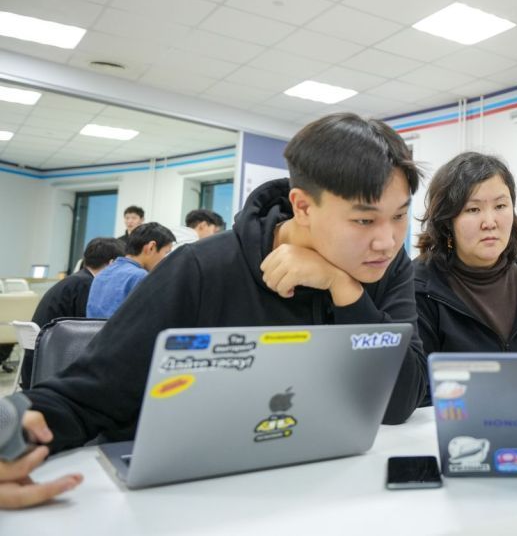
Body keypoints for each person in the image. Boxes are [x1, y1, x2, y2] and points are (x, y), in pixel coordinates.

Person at [1, 113, 428, 508]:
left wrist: (343, 288)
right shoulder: (203, 268)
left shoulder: (383, 268)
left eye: (400, 216)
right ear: (302, 206)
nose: (387, 241)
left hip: (326, 495)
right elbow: (86, 397)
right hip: (193, 502)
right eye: (364, 221)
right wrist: (13, 437)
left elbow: (400, 401)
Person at [414, 152, 517, 381]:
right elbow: (417, 390)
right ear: (447, 221)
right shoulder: (421, 287)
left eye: (500, 206)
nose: (490, 222)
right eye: (473, 209)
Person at [18, 237, 125, 388]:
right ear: (112, 263)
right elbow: (88, 329)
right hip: (49, 369)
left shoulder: (75, 280)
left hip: (36, 365)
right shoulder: (87, 284)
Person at [85, 223, 176, 319]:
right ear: (151, 247)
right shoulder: (140, 277)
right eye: (166, 253)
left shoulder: (102, 274)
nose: (167, 260)